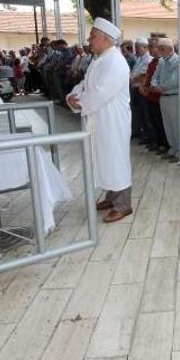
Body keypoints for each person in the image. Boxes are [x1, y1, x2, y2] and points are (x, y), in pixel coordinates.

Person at [66, 18, 133, 223]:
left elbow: (101, 92)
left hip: (112, 120)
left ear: (105, 39)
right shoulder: (100, 59)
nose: (89, 40)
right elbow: (84, 85)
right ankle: (112, 197)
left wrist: (80, 102)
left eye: (93, 36)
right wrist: (73, 96)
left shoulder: (115, 61)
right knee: (104, 159)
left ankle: (123, 204)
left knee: (115, 160)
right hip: (99, 118)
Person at [150, 37, 180, 162]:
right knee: (167, 125)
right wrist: (154, 85)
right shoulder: (161, 61)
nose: (160, 51)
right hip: (163, 97)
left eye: (162, 49)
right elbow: (154, 76)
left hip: (174, 97)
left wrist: (161, 87)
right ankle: (172, 148)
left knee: (176, 125)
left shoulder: (178, 61)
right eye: (159, 49)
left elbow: (176, 80)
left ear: (170, 48)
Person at [130, 37, 152, 142]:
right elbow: (134, 72)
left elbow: (143, 75)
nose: (136, 49)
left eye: (138, 47)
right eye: (136, 47)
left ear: (145, 47)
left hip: (142, 90)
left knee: (145, 114)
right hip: (136, 89)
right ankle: (141, 133)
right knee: (138, 113)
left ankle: (149, 136)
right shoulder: (139, 59)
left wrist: (132, 79)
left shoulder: (148, 59)